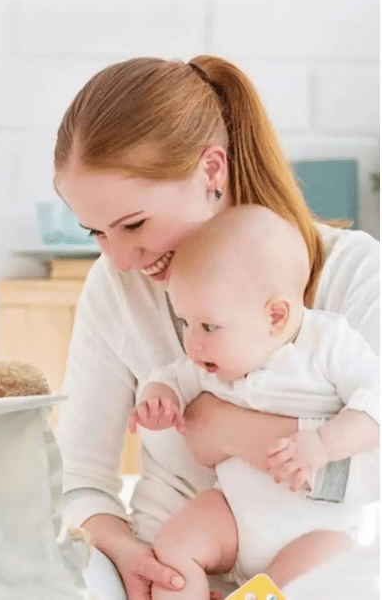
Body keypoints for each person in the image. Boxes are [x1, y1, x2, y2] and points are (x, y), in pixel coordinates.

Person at [53, 55, 380, 600]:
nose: (122, 259)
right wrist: (130, 555)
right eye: (96, 233)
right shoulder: (116, 287)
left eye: (134, 224)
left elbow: (372, 459)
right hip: (166, 564)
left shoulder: (355, 274)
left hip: (311, 571)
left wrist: (216, 426)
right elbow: (77, 481)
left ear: (211, 171)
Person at [128, 203, 379, 599]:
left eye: (208, 326)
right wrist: (158, 397)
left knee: (330, 558)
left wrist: (324, 443)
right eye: (185, 323)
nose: (193, 343)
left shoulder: (328, 345)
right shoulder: (210, 361)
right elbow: (171, 377)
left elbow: (376, 400)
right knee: (175, 542)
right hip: (235, 517)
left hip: (313, 531)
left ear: (275, 317)